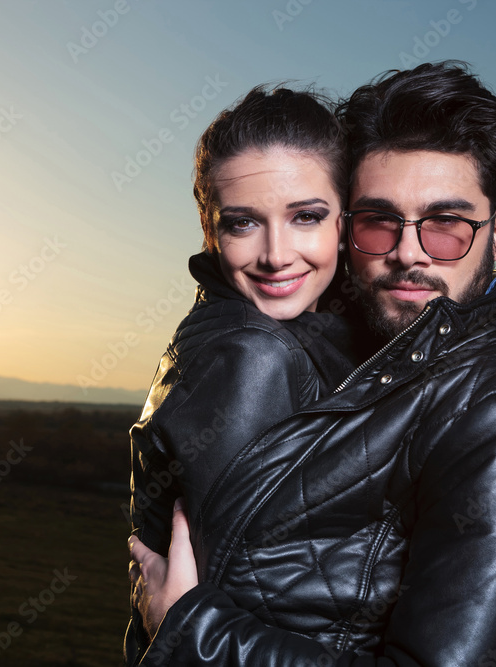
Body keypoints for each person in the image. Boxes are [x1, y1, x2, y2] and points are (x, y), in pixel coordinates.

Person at [130, 61, 496, 666]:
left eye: (447, 225)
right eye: (380, 222)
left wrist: (191, 631)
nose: (409, 253)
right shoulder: (378, 351)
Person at [124, 85, 360, 664]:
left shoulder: (308, 337)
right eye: (243, 224)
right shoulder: (251, 356)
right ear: (211, 230)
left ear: (344, 221)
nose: (277, 254)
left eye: (306, 216)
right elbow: (236, 609)